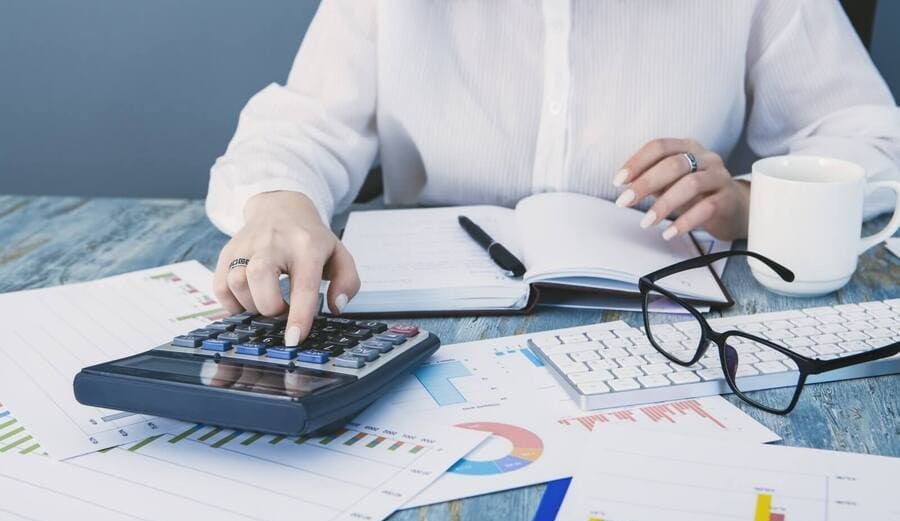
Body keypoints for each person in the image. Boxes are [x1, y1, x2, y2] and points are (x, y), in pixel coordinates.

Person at [206, 0, 900, 346]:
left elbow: (875, 137)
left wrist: (751, 202)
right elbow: (302, 124)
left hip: (674, 333)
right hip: (419, 330)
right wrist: (279, 201)